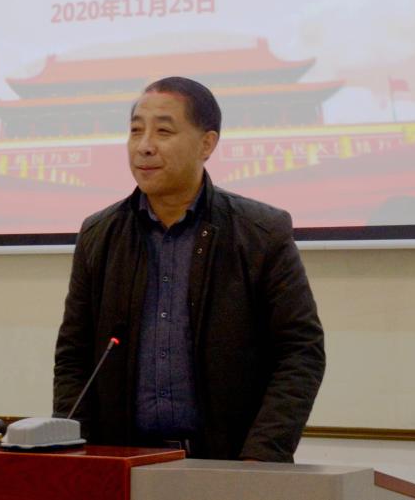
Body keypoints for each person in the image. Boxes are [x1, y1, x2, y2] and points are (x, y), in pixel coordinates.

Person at [52, 76, 325, 462]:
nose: (144, 146)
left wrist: (262, 456)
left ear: (206, 144)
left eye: (163, 131)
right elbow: (74, 356)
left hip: (229, 465)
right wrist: (75, 448)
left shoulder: (261, 233)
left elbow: (300, 351)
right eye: (136, 131)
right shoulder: (99, 234)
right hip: (122, 462)